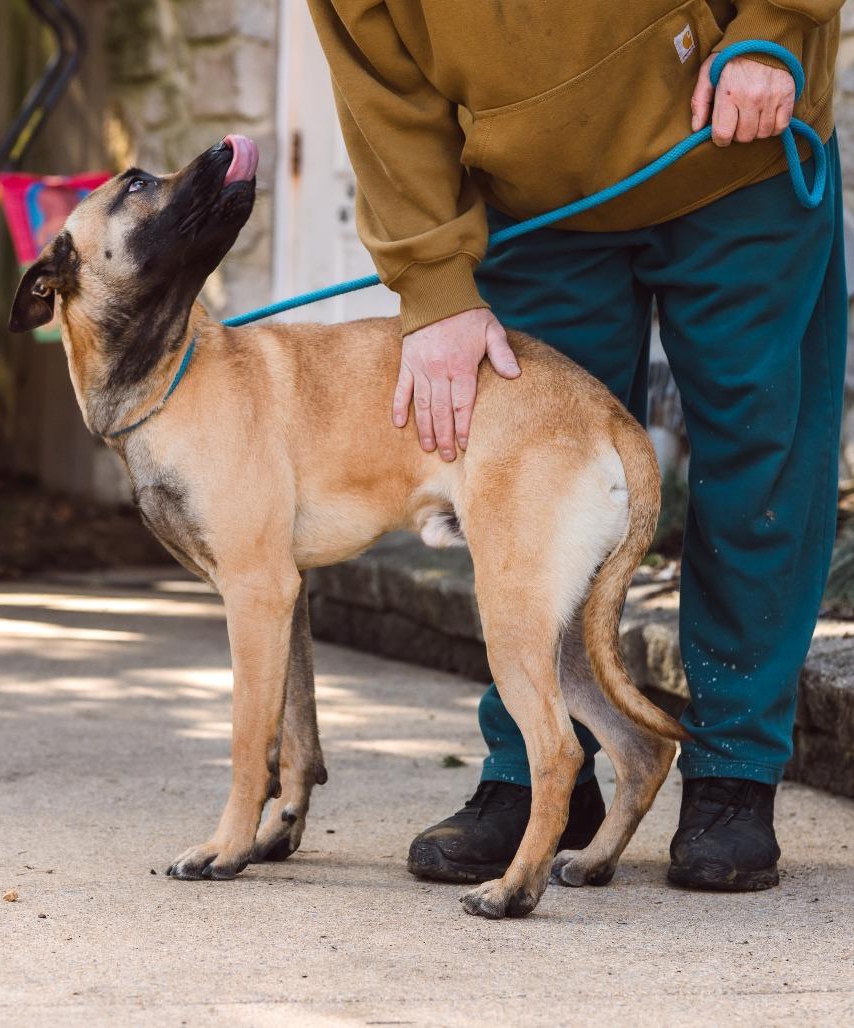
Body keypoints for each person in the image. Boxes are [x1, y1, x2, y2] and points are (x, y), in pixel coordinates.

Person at [308, 0, 845, 891]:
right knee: (524, 494)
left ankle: (734, 778)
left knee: (759, 469)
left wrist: (778, 30)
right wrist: (433, 283)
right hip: (535, 203)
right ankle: (537, 774)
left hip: (736, 146)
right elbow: (382, 85)